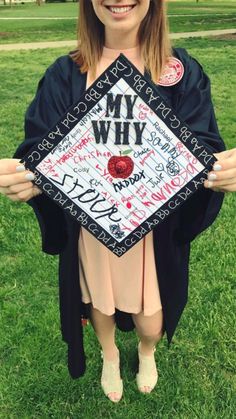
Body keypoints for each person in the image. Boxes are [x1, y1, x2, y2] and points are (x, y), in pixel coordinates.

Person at [0, 0, 235, 404]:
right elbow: (41, 149)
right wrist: (29, 180)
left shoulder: (180, 73)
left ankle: (147, 351)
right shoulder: (65, 74)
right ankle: (109, 355)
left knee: (152, 321)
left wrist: (218, 174)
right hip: (91, 226)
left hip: (153, 233)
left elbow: (202, 147)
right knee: (99, 303)